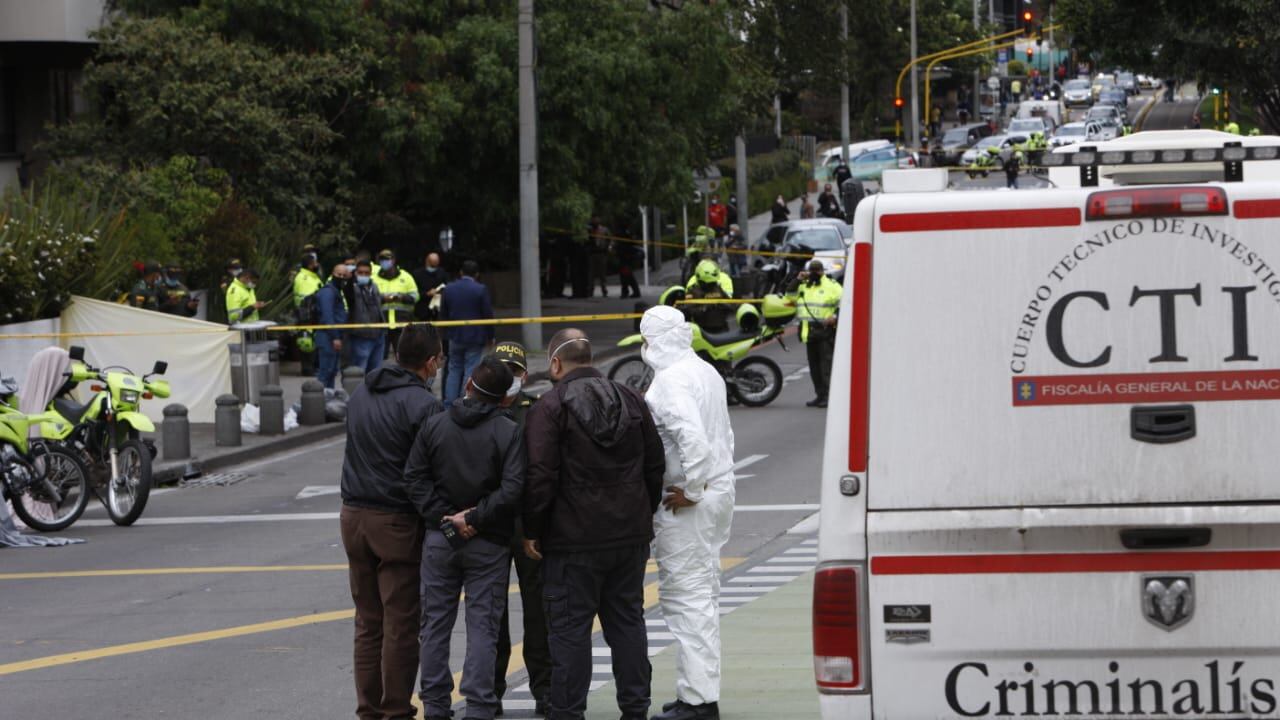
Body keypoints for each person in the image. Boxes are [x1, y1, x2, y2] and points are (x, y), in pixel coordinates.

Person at [522, 329, 665, 720]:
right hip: (629, 534)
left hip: (571, 538)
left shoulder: (550, 408)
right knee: (627, 622)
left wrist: (532, 528)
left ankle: (568, 711)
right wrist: (642, 509)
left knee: (569, 632)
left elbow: (540, 475)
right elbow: (655, 465)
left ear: (555, 363)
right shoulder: (633, 399)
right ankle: (635, 708)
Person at [408, 356, 524, 720]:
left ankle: (436, 706)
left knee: (435, 625)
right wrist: (473, 517)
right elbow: (514, 488)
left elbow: (414, 479)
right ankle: (479, 704)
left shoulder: (435, 425)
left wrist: (445, 519)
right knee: (483, 626)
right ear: (505, 398)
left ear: (468, 383)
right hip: (488, 540)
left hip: (440, 540)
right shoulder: (508, 431)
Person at [340, 325, 444, 720]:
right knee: (400, 622)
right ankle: (397, 710)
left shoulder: (361, 392)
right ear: (431, 362)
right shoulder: (422, 405)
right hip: (396, 521)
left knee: (368, 622)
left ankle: (369, 709)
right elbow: (432, 470)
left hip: (353, 517)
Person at [638, 306, 736, 720]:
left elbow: (692, 439)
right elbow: (722, 434)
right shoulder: (704, 370)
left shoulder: (670, 381)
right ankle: (696, 691)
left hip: (690, 500)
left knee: (686, 599)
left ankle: (698, 701)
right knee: (703, 595)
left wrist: (692, 489)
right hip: (719, 491)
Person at [491, 342, 551, 716]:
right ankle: (490, 690)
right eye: (500, 370)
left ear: (524, 375)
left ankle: (544, 689)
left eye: (513, 371)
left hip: (529, 522)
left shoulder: (539, 410)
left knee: (539, 610)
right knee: (491, 613)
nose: (507, 378)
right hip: (492, 522)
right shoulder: (477, 408)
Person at [440, 260, 495, 406]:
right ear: (477, 274)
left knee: (454, 369)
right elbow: (487, 314)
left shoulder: (449, 289)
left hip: (455, 336)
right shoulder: (480, 289)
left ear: (461, 272)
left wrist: (444, 335)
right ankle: (465, 401)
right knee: (470, 369)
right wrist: (491, 336)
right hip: (475, 337)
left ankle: (449, 403)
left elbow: (443, 314)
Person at [786, 260, 841, 408]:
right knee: (815, 368)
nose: (815, 273)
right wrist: (798, 279)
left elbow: (845, 302)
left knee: (825, 368)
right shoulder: (804, 286)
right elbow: (789, 294)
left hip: (825, 333)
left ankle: (828, 396)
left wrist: (834, 317)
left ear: (823, 271)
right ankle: (820, 394)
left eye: (818, 270)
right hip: (808, 333)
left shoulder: (832, 286)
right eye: (812, 271)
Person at [373, 249, 420, 356]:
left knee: (403, 355)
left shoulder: (406, 277)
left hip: (401, 323)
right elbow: (369, 299)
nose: (384, 262)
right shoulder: (374, 278)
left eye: (387, 259)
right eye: (382, 260)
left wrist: (401, 297)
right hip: (381, 323)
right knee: (379, 356)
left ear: (393, 260)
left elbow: (415, 297)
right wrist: (383, 299)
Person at [315, 264, 351, 389]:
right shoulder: (328, 292)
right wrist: (335, 337)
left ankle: (328, 399)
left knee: (331, 371)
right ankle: (318, 402)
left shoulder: (336, 291)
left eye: (344, 275)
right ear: (332, 274)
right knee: (325, 372)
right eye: (338, 274)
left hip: (332, 336)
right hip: (327, 337)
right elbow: (327, 316)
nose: (341, 277)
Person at [348, 260, 387, 375]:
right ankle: (357, 392)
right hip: (361, 334)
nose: (364, 275)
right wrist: (350, 279)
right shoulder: (351, 287)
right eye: (360, 272)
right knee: (359, 370)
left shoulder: (373, 286)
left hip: (378, 332)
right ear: (355, 273)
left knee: (375, 370)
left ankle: (371, 393)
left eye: (367, 273)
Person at [293, 250, 324, 375]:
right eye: (315, 262)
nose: (317, 264)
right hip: (307, 315)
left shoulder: (312, 276)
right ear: (311, 264)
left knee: (312, 341)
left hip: (312, 315)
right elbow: (308, 299)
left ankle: (313, 367)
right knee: (306, 342)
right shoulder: (304, 278)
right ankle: (308, 369)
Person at [684, 260, 735, 333]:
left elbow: (732, 307)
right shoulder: (692, 291)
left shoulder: (718, 288)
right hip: (702, 331)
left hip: (722, 328)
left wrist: (721, 304)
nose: (711, 286)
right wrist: (705, 307)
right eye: (707, 284)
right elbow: (688, 311)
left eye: (712, 283)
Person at [412, 252, 449, 323]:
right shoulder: (417, 274)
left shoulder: (442, 273)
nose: (433, 268)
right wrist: (427, 294)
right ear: (427, 261)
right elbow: (414, 292)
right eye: (432, 265)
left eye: (435, 265)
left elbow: (447, 288)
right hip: (422, 310)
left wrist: (440, 292)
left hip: (438, 309)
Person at [587, 219, 610, 297]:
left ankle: (604, 290)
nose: (595, 221)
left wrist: (607, 248)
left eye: (597, 219)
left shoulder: (604, 230)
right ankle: (590, 291)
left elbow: (609, 240)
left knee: (602, 273)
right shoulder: (590, 230)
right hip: (593, 253)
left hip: (602, 253)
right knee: (591, 274)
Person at [617, 235, 643, 300]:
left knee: (627, 276)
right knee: (626, 275)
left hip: (627, 257)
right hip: (625, 256)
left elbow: (631, 243)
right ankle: (628, 292)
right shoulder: (624, 233)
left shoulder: (625, 233)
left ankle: (628, 292)